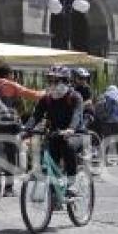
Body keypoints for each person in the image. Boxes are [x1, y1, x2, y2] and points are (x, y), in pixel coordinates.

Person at [23, 66, 84, 196]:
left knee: (68, 146)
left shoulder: (74, 97)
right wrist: (26, 129)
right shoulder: (47, 99)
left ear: (66, 82)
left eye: (56, 81)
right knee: (50, 155)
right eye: (50, 81)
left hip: (75, 134)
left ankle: (72, 182)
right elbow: (36, 115)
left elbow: (77, 115)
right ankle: (55, 194)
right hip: (55, 134)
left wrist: (71, 129)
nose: (52, 84)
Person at [0, 63, 43, 196]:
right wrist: (49, 93)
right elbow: (33, 95)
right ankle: (8, 188)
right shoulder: (10, 85)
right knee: (11, 155)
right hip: (7, 125)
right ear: (10, 75)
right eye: (13, 75)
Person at [95, 85, 118, 166]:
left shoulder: (103, 98)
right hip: (116, 122)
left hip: (106, 123)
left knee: (107, 141)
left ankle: (106, 160)